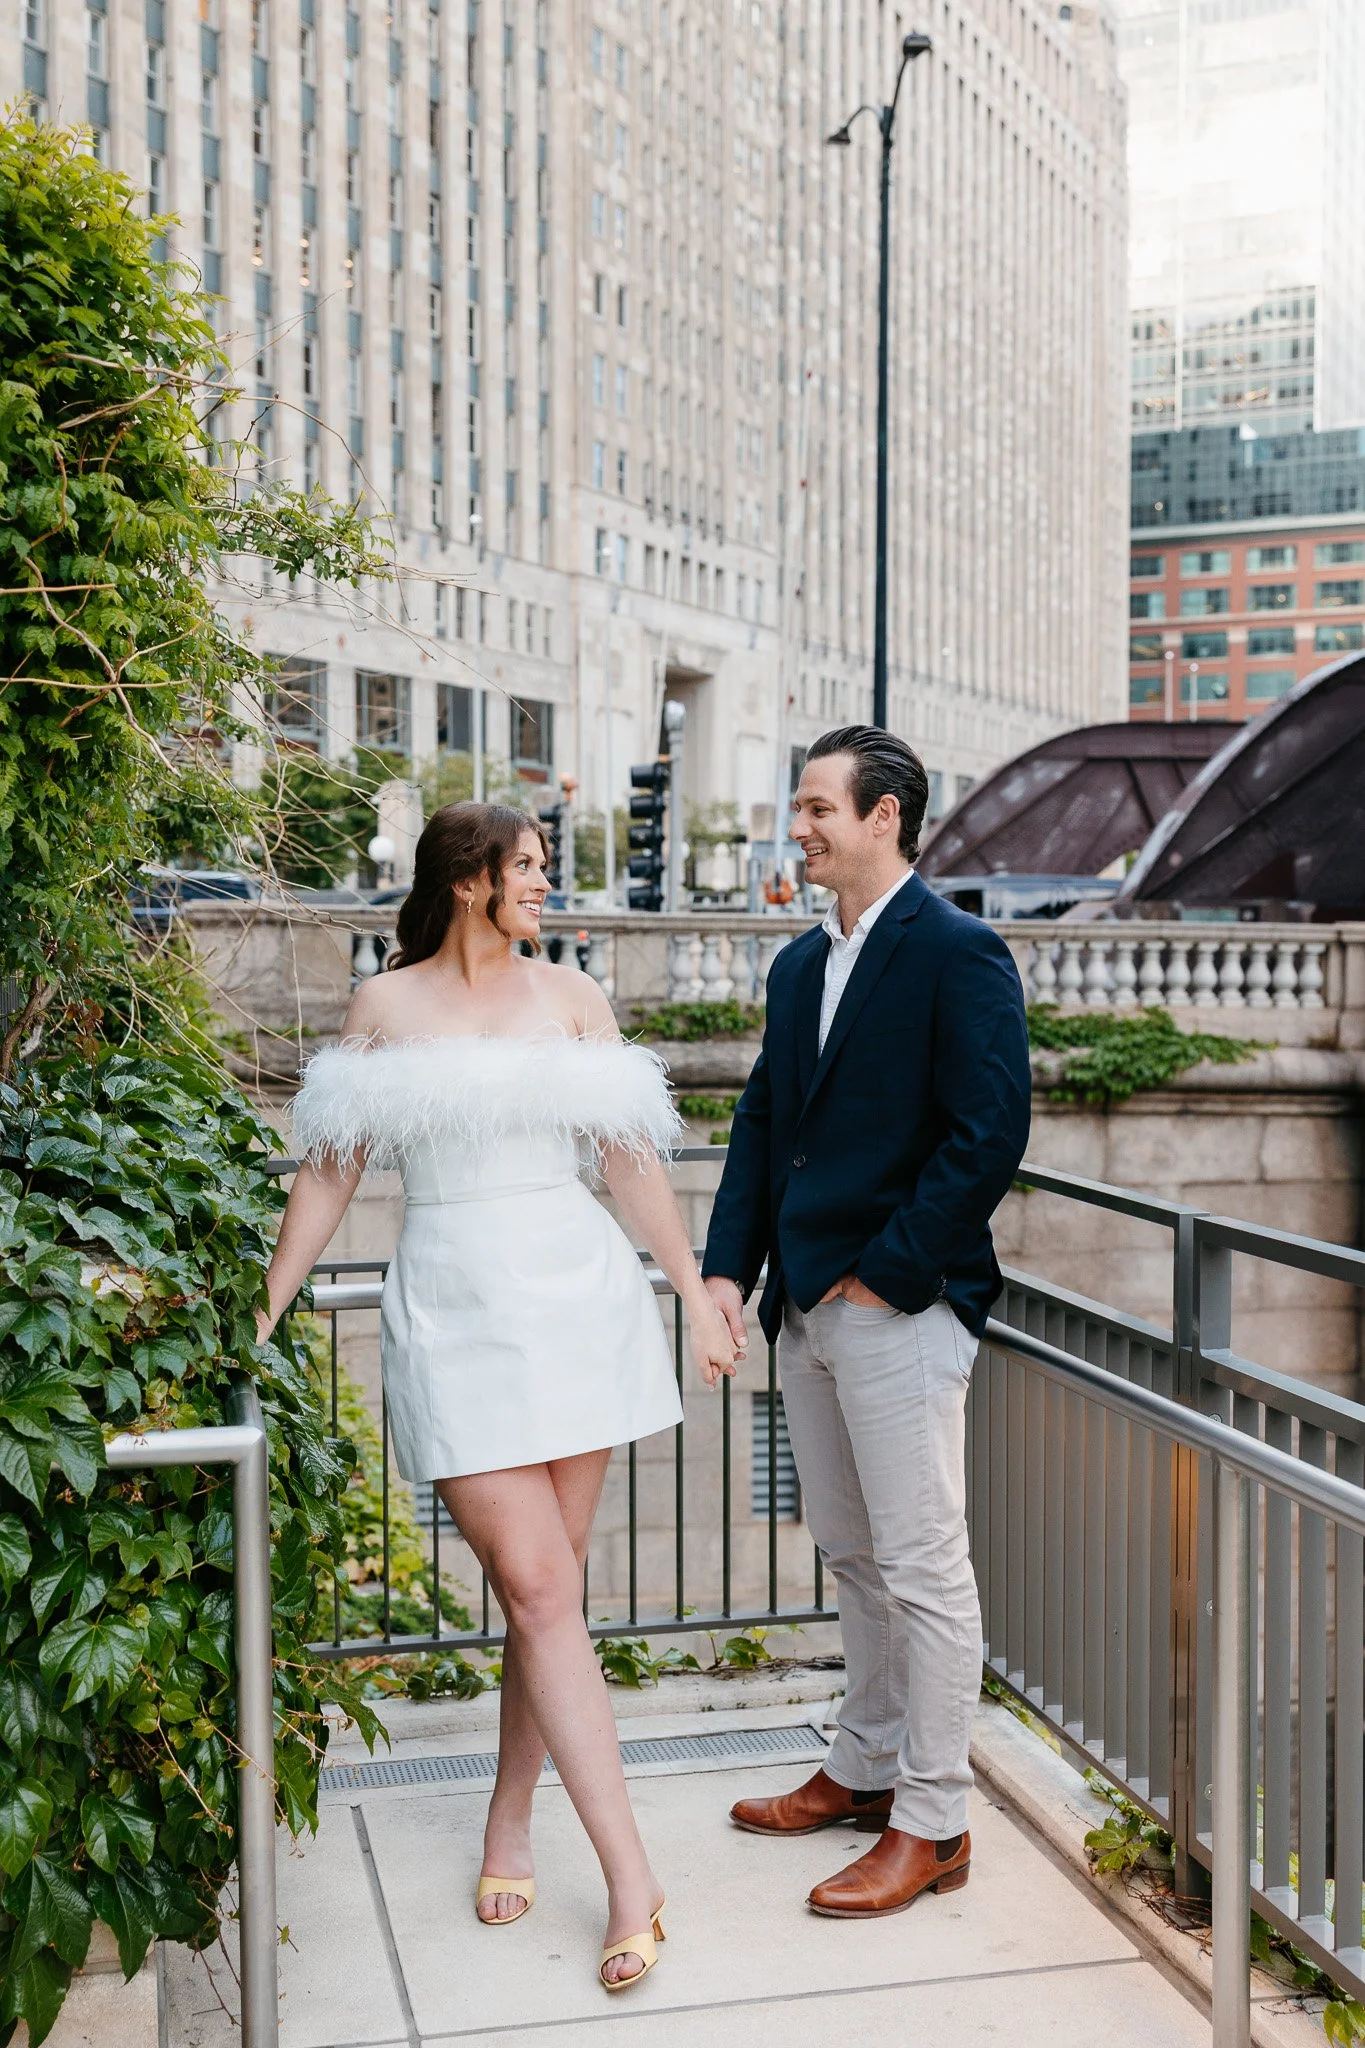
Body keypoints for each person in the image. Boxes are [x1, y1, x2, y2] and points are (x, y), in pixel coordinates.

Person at [257, 802, 740, 1990]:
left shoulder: (575, 998)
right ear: (469, 880)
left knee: (547, 1598)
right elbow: (330, 1174)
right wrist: (262, 1307)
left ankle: (511, 1820)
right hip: (455, 1307)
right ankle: (632, 1873)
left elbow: (631, 1163)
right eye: (527, 868)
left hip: (579, 1302)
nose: (544, 888)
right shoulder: (385, 1006)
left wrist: (692, 1289)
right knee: (536, 1584)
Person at [703, 726, 1031, 1919]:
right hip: (805, 1308)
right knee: (851, 1552)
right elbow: (760, 1126)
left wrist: (888, 1272)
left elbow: (987, 1133)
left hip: (900, 1308)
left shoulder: (958, 952)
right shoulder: (801, 965)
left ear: (884, 815)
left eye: (815, 806)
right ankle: (862, 1767)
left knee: (925, 1568)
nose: (798, 827)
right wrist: (728, 1275)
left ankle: (933, 1820)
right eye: (799, 807)